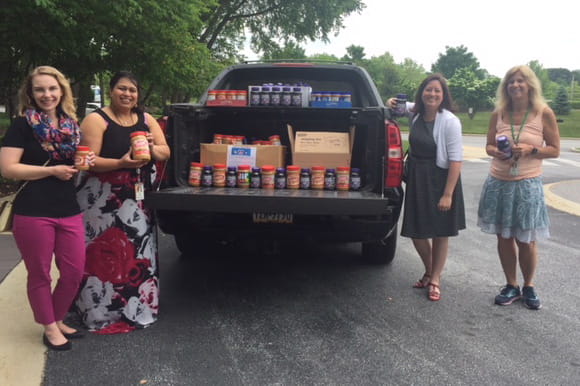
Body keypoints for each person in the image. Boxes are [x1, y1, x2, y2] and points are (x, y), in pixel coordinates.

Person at [0, 66, 92, 350]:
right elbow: (8, 168)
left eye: (52, 88)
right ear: (31, 93)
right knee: (40, 273)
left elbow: (75, 163)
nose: (46, 94)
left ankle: (57, 316)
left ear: (62, 90)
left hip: (68, 207)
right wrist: (51, 172)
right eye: (39, 89)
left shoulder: (71, 125)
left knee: (75, 271)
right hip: (33, 210)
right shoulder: (22, 126)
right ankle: (50, 327)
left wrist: (82, 166)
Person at [74, 71, 170, 332]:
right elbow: (87, 160)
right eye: (122, 89)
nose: (127, 94)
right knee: (103, 253)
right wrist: (120, 163)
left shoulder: (146, 119)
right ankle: (100, 314)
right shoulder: (96, 120)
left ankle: (136, 311)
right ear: (111, 90)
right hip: (101, 197)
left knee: (139, 253)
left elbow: (165, 151)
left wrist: (150, 147)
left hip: (137, 196)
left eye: (132, 90)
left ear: (138, 94)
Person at [477, 65, 560, 310]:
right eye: (511, 81)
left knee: (527, 239)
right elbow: (489, 146)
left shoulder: (543, 112)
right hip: (498, 182)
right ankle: (511, 284)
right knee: (504, 236)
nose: (515, 85)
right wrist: (498, 153)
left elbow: (554, 149)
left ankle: (529, 286)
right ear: (506, 87)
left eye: (520, 81)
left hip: (527, 184)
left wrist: (530, 149)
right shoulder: (498, 114)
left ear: (530, 85)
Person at [387, 74, 465, 301]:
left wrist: (448, 194)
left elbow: (456, 160)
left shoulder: (450, 121)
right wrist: (391, 100)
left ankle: (435, 279)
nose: (432, 94)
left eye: (437, 91)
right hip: (418, 178)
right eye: (428, 90)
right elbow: (397, 105)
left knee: (441, 232)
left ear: (444, 95)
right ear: (422, 93)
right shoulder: (416, 112)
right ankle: (431, 270)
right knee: (417, 231)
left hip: (442, 178)